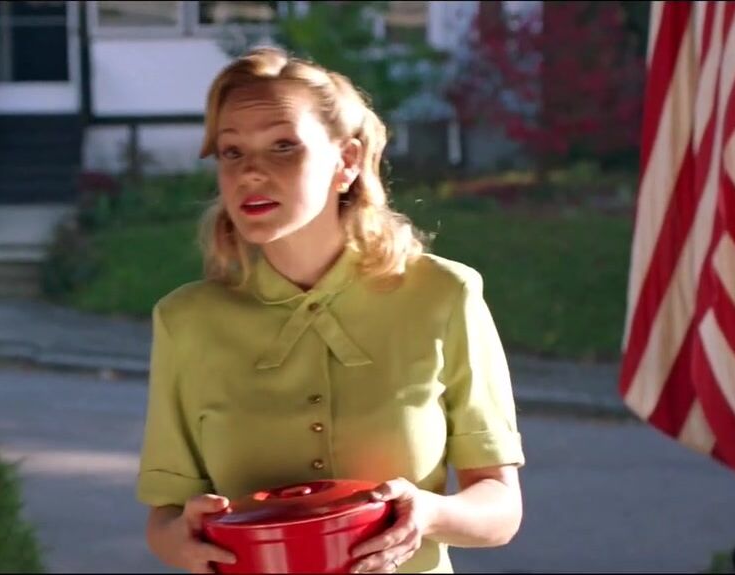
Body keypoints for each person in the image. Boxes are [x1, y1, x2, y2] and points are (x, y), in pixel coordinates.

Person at [136, 46, 525, 574]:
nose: (250, 172)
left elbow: (500, 509)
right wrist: (184, 540)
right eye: (231, 152)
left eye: (283, 146)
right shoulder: (184, 322)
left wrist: (427, 513)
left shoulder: (445, 295)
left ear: (347, 161)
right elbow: (164, 519)